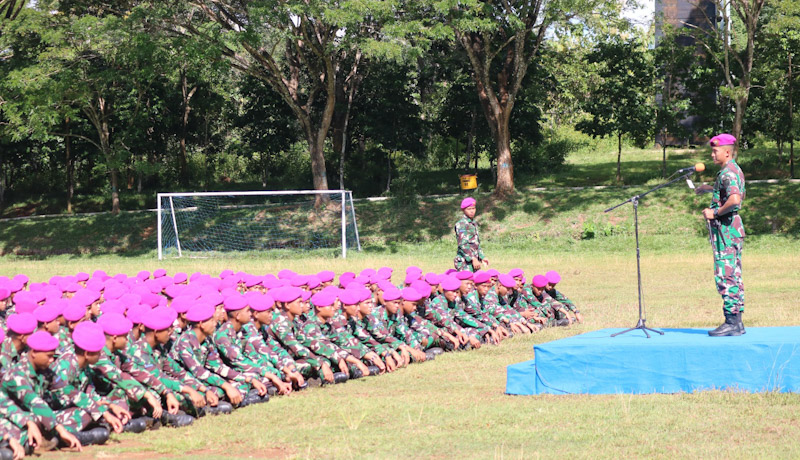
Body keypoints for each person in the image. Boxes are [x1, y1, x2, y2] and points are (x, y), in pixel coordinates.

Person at [695, 133, 746, 337]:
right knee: (734, 274)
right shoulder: (732, 170)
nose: (712, 154)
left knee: (726, 275)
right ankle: (736, 321)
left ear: (727, 152)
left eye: (715, 151)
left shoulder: (727, 173)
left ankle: (732, 322)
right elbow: (735, 193)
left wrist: (714, 212)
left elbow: (734, 199)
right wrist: (711, 189)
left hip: (726, 229)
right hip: (731, 228)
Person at [453, 197, 488, 272]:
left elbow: (475, 243)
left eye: (473, 208)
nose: (472, 211)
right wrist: (473, 259)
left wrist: (482, 257)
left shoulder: (473, 223)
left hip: (474, 261)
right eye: (469, 209)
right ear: (463, 210)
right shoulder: (461, 224)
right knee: (467, 282)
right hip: (465, 262)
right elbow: (463, 244)